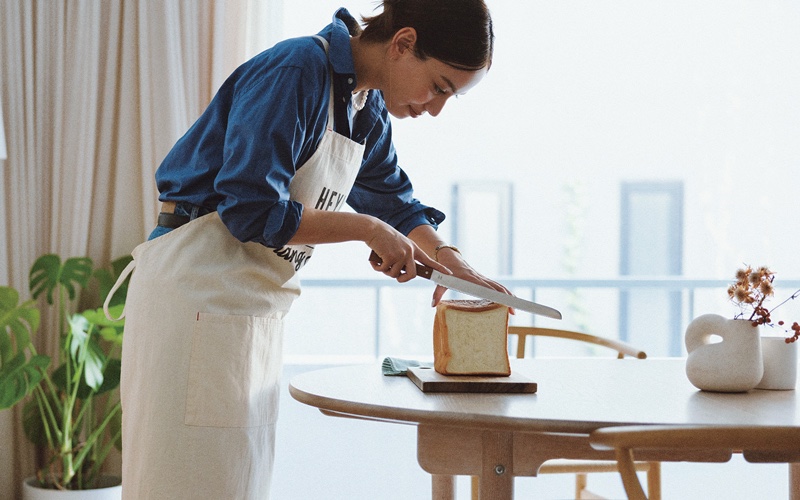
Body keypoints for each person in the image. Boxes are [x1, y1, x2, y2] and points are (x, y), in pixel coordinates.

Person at [107, 1, 507, 498]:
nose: (436, 107)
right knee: (182, 484)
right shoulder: (298, 69)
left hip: (251, 312)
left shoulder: (366, 106)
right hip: (195, 294)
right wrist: (366, 228)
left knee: (236, 484)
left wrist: (445, 254)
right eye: (440, 86)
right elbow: (251, 207)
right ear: (403, 43)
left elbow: (393, 199)